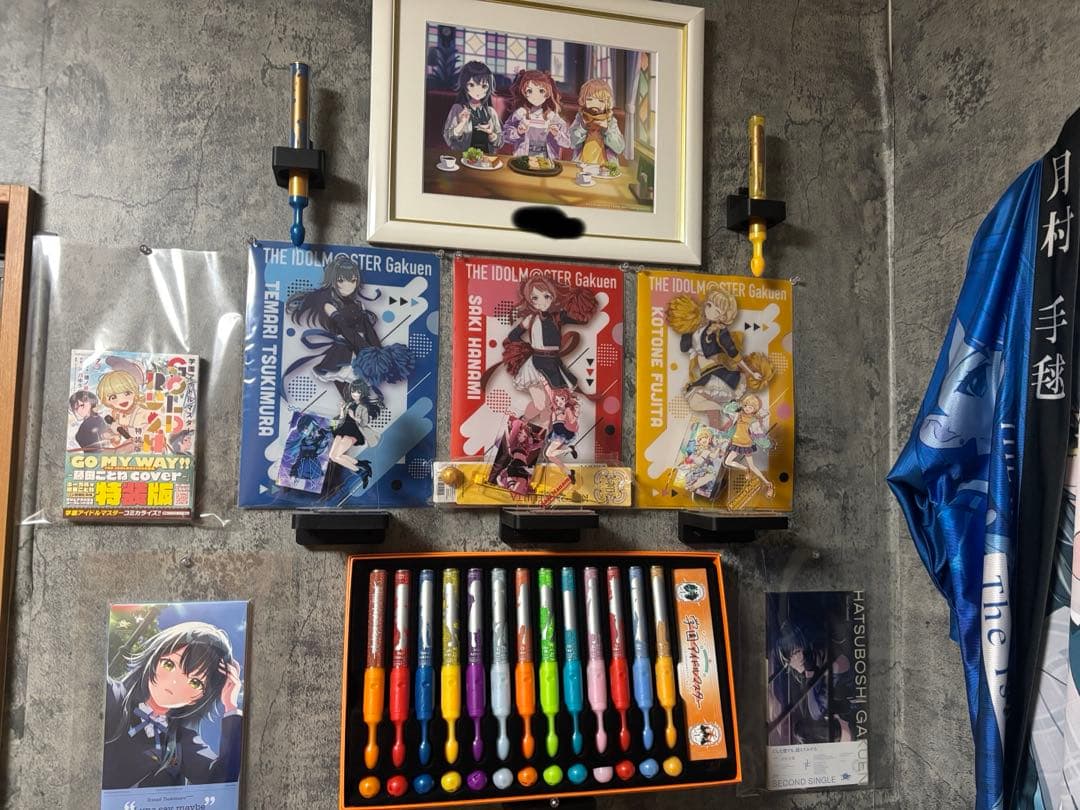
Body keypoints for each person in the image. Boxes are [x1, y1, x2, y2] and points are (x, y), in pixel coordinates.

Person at [102, 621, 242, 789]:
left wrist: (230, 706)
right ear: (154, 659)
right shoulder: (113, 696)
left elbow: (221, 781)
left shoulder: (183, 740)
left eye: (195, 682)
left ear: (200, 698)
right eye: (169, 664)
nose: (175, 683)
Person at [285, 255, 414, 401]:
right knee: (350, 396)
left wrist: (380, 352)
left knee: (360, 396)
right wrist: (366, 349)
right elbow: (345, 329)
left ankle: (357, 411)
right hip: (343, 354)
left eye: (352, 280)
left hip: (362, 351)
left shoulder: (358, 305)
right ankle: (350, 411)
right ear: (332, 281)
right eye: (341, 280)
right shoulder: (329, 306)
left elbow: (369, 330)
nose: (349, 285)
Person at [497, 271, 598, 424]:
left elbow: (582, 320)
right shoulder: (530, 319)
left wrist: (579, 300)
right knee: (541, 404)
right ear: (529, 300)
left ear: (553, 296)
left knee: (551, 405)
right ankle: (519, 424)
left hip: (553, 364)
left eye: (546, 296)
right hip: (535, 364)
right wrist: (525, 350)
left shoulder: (558, 316)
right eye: (535, 298)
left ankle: (537, 430)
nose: (542, 302)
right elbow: (512, 336)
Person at [665, 283, 772, 413]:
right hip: (705, 375)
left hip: (718, 375)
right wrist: (687, 326)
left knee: (696, 401)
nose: (709, 309)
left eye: (716, 310)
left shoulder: (720, 332)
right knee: (695, 402)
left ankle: (727, 411)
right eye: (709, 305)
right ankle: (725, 412)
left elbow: (733, 353)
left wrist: (751, 372)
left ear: (722, 317)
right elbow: (684, 347)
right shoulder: (696, 327)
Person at [501, 70, 570, 160]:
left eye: (541, 91)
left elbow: (567, 143)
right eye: (530, 91)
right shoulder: (519, 114)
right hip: (523, 160)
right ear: (524, 93)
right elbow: (505, 136)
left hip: (547, 161)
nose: (535, 96)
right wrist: (518, 132)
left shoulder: (553, 117)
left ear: (548, 93)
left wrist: (557, 134)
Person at [719, 394, 775, 497]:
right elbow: (726, 410)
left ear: (754, 409)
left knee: (752, 466)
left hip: (745, 445)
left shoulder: (753, 421)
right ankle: (745, 469)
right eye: (746, 406)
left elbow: (758, 434)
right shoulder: (738, 414)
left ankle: (768, 484)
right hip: (736, 443)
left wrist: (765, 444)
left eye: (750, 407)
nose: (747, 408)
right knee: (727, 461)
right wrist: (735, 404)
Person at [443, 60, 503, 154]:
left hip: (486, 158)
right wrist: (461, 124)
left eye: (484, 86)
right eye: (471, 85)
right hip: (464, 157)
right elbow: (448, 137)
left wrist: (491, 133)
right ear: (464, 85)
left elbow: (500, 142)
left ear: (489, 88)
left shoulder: (491, 112)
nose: (478, 91)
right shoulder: (458, 109)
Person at [328, 379, 381, 483]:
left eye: (358, 392)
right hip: (341, 429)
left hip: (353, 432)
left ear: (363, 393)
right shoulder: (349, 404)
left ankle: (360, 471)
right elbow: (341, 418)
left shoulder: (363, 407)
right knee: (332, 456)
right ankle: (361, 464)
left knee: (336, 456)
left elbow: (364, 423)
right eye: (353, 391)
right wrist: (342, 410)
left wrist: (354, 417)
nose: (354, 394)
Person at [569, 78, 625, 164]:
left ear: (607, 103)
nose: (595, 104)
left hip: (605, 165)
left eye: (601, 101)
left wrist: (606, 129)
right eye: (590, 99)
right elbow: (572, 143)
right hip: (582, 163)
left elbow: (619, 148)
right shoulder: (580, 117)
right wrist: (583, 127)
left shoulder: (610, 120)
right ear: (583, 100)